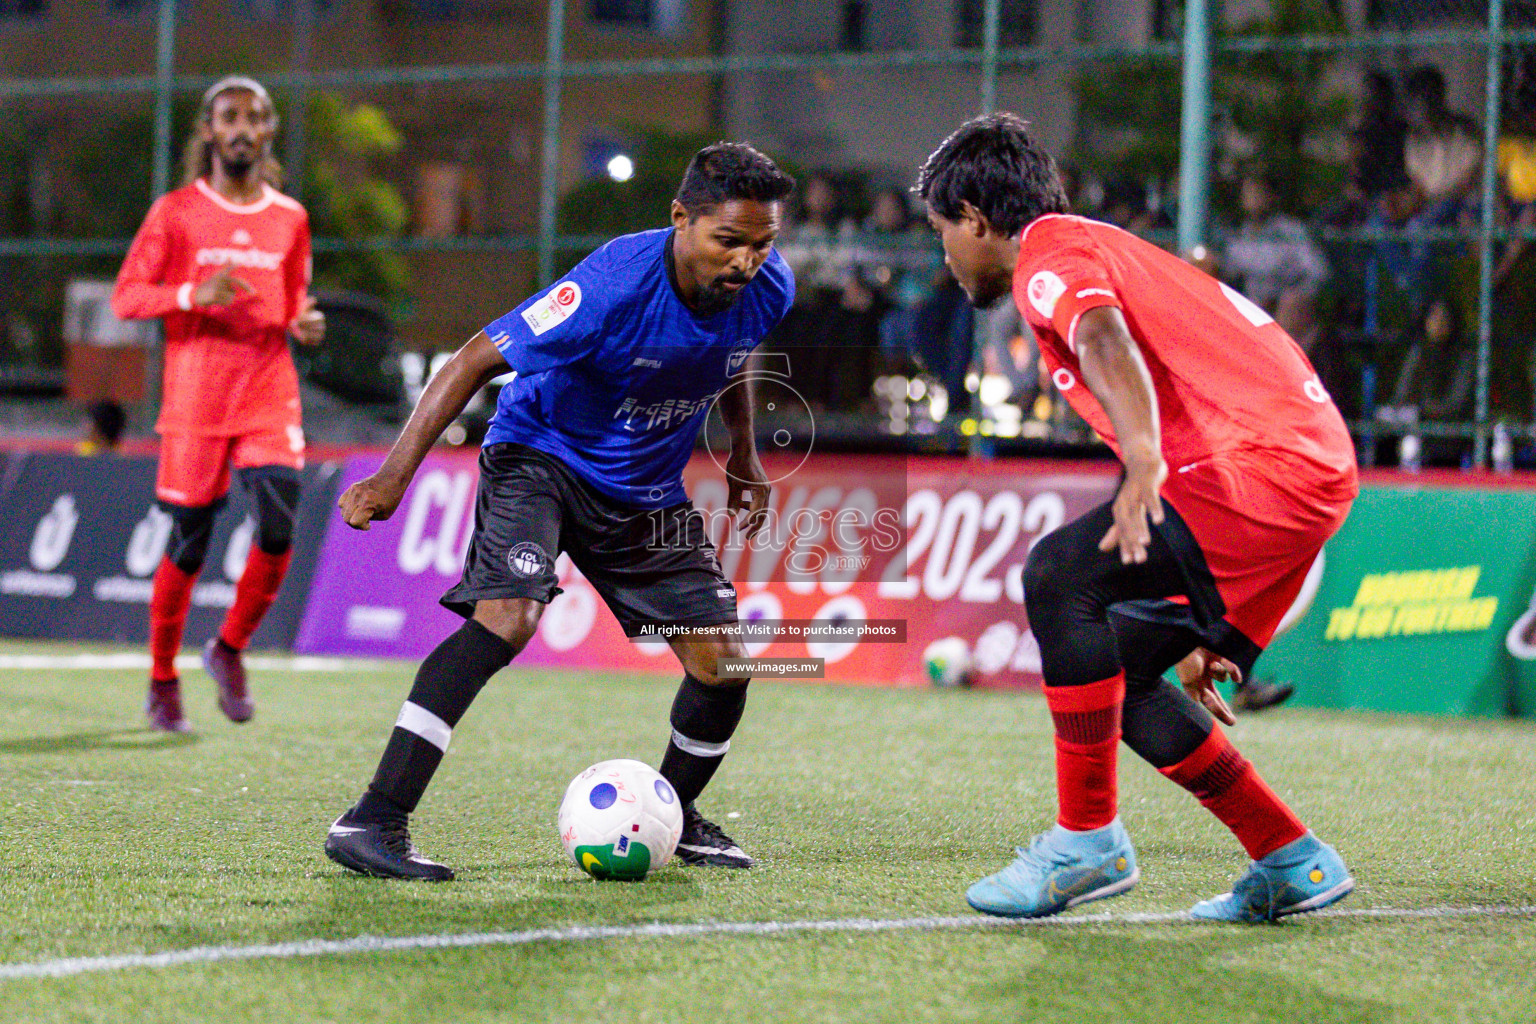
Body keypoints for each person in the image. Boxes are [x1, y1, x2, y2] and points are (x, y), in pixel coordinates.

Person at [917, 113, 1359, 923]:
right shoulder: (1101, 245)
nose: (945, 256)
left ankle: (1087, 840)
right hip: (1304, 473)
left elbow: (1102, 335)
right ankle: (1292, 856)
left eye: (945, 232)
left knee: (1057, 575)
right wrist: (1229, 635)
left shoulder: (1049, 258)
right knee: (1117, 671)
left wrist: (1144, 462)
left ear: (978, 220)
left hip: (1255, 469)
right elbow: (1312, 484)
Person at [323, 143, 796, 881]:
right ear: (681, 220)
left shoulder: (769, 287)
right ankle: (374, 819)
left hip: (644, 488)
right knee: (508, 616)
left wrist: (743, 453)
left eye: (762, 244)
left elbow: (732, 352)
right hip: (540, 456)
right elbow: (474, 357)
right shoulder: (611, 285)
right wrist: (393, 477)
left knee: (722, 661)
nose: (746, 262)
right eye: (727, 241)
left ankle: (679, 815)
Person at [112, 75, 325, 734]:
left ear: (267, 132)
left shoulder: (290, 218)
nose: (241, 128)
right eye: (229, 117)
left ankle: (228, 650)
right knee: (189, 543)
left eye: (253, 118)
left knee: (280, 522)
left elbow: (294, 302)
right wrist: (188, 296)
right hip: (196, 399)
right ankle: (162, 677)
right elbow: (127, 297)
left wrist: (304, 324)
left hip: (266, 390)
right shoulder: (175, 212)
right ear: (208, 131)